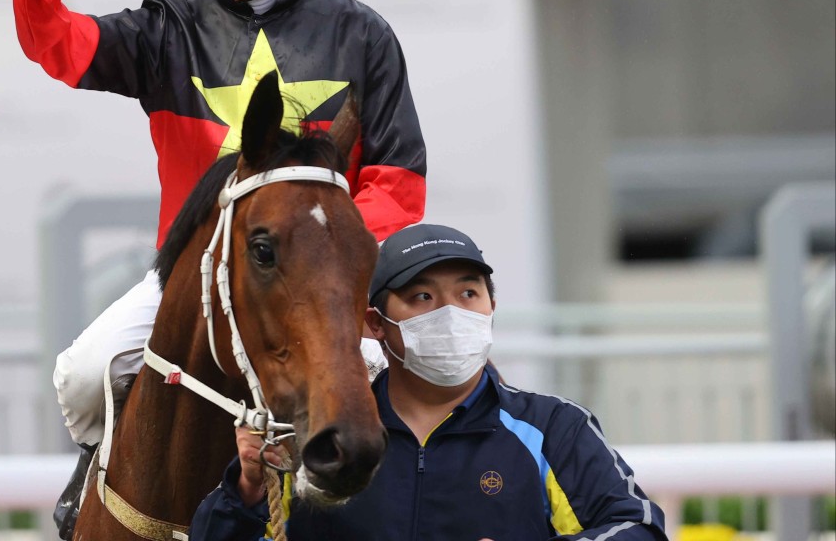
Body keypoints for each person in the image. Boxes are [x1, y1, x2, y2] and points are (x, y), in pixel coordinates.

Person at [1, 0, 427, 538]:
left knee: (388, 393)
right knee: (83, 373)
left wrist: (331, 269)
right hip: (192, 276)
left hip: (320, 283)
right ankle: (93, 497)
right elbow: (64, 49)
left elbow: (397, 182)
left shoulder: (361, 33)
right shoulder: (166, 27)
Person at [189, 223, 669, 541]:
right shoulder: (319, 439)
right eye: (421, 296)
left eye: (468, 292)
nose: (451, 313)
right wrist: (247, 491)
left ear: (491, 309)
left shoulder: (555, 428)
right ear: (375, 324)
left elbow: (638, 529)